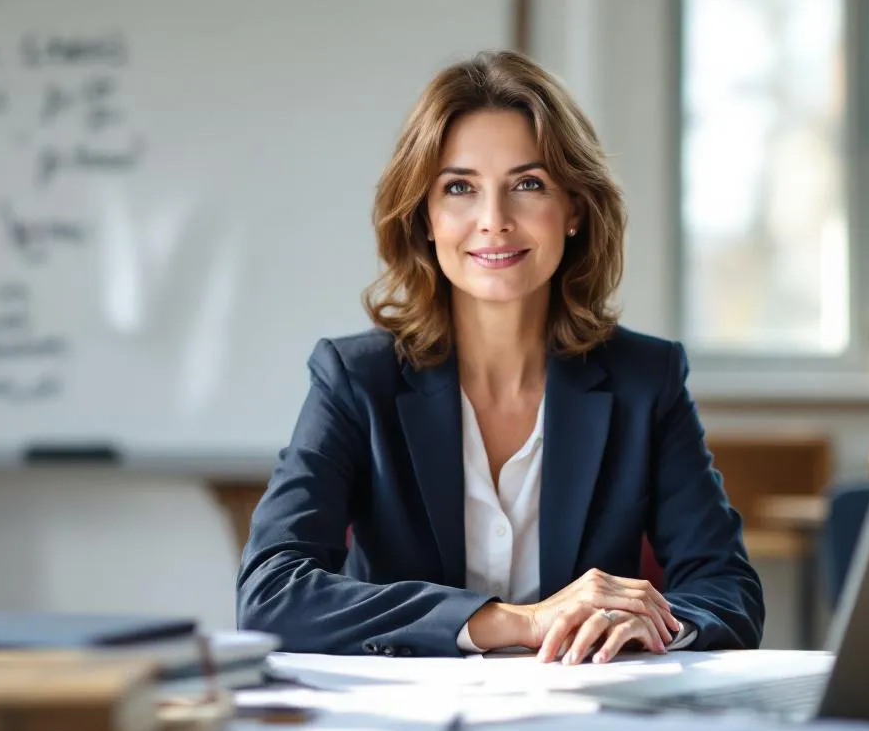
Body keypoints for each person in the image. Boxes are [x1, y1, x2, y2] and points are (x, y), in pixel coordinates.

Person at [237, 50, 764, 663]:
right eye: (459, 188)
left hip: (590, 728)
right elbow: (270, 593)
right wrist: (515, 623)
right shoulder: (356, 381)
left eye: (528, 185)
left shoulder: (647, 381)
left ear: (573, 209)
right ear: (425, 217)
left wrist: (651, 624)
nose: (494, 221)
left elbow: (727, 590)